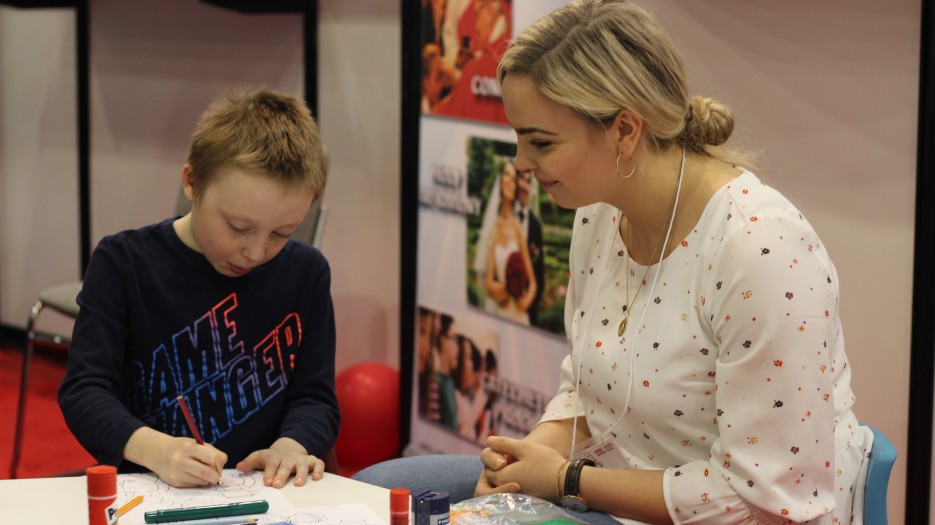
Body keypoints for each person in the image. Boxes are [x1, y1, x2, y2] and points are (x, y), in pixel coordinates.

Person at [355, 1, 872, 524]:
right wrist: (527, 458)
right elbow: (585, 391)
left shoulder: (762, 251)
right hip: (600, 493)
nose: (521, 163)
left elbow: (765, 501)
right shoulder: (599, 212)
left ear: (625, 130)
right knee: (373, 491)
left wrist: (563, 480)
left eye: (540, 142)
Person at [58, 87, 339, 490]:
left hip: (264, 494)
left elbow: (315, 397)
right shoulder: (124, 262)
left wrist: (290, 446)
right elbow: (85, 391)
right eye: (238, 228)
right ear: (192, 183)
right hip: (149, 487)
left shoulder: (306, 272)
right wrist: (156, 451)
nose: (256, 251)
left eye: (282, 232)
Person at [483, 159, 537, 325]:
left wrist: (524, 302)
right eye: (506, 174)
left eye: (513, 178)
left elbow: (533, 284)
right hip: (502, 312)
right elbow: (488, 283)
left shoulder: (517, 228)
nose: (509, 181)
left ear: (515, 187)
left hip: (519, 314)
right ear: (500, 182)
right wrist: (509, 290)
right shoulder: (494, 228)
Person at [514, 168, 545, 326]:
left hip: (528, 307)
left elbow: (539, 273)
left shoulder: (535, 225)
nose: (525, 186)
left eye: (528, 181)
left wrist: (530, 300)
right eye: (522, 180)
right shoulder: (504, 217)